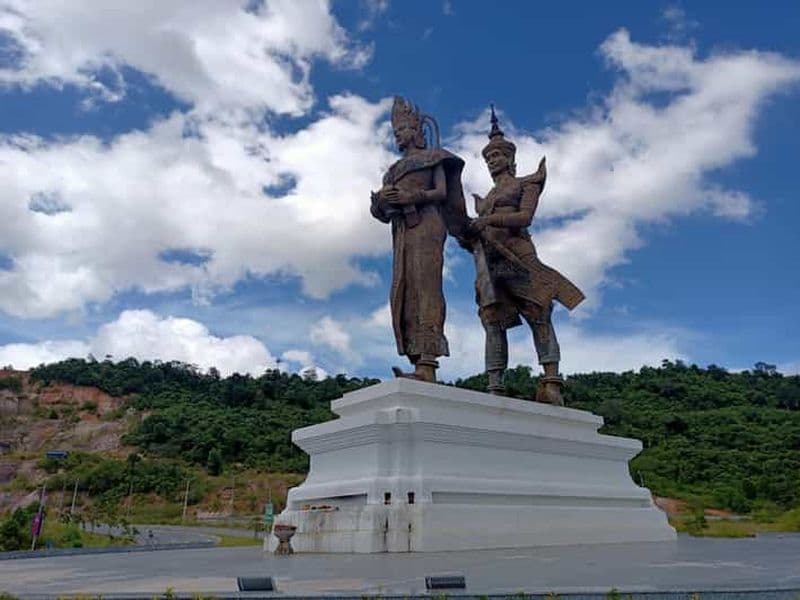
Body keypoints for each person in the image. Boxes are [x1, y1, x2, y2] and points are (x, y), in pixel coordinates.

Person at [465, 107, 584, 404]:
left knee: (537, 312)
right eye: (489, 158)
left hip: (519, 255)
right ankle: (495, 384)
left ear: (510, 158)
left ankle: (551, 380)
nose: (493, 162)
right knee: (491, 318)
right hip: (491, 262)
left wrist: (489, 221)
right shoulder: (486, 200)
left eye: (497, 156)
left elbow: (525, 217)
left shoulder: (525, 184)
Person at [370, 96, 468, 382]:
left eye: (402, 130)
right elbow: (381, 212)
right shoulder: (393, 171)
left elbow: (440, 192)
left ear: (416, 130)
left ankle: (428, 361)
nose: (398, 135)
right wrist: (381, 201)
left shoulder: (435, 158)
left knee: (426, 285)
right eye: (395, 131)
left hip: (426, 225)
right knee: (404, 289)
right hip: (401, 231)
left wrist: (412, 196)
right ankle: (415, 357)